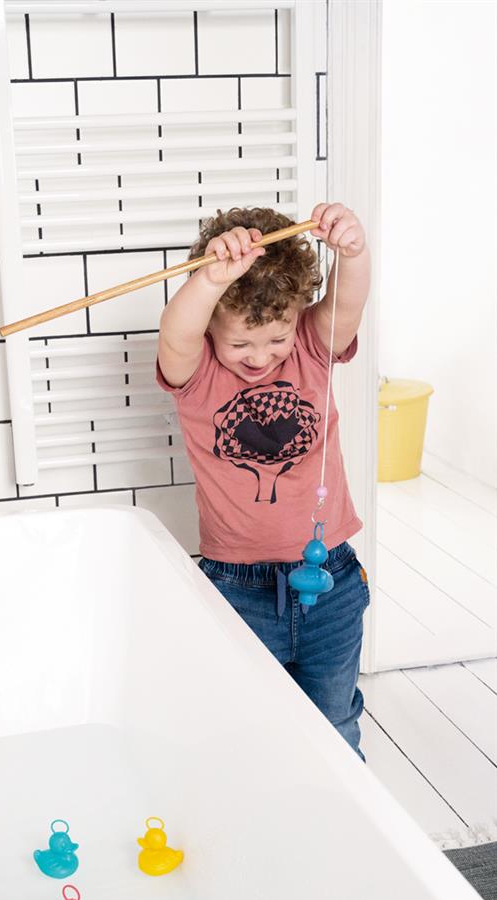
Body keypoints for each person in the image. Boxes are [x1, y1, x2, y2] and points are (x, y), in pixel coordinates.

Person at [156, 204, 371, 759]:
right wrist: (210, 280)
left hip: (331, 580)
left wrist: (352, 252)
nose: (260, 357)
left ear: (296, 320)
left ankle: (337, 806)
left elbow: (346, 306)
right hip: (237, 590)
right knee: (245, 732)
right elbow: (176, 334)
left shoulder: (311, 349)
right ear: (211, 330)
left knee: (334, 722)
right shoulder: (197, 374)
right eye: (240, 344)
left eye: (276, 339)